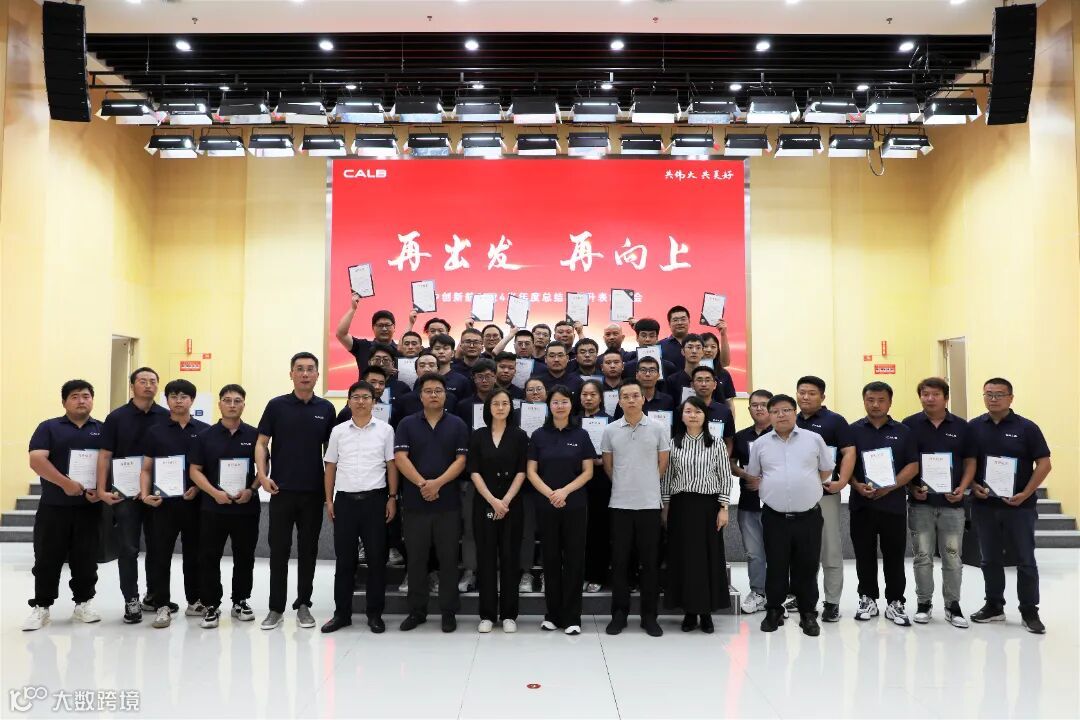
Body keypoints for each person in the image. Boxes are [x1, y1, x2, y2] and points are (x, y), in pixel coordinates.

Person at [256, 352, 336, 631]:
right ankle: (275, 608)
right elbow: (261, 443)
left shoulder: (326, 408)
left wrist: (329, 493)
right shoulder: (276, 406)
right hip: (281, 491)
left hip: (312, 492)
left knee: (308, 550)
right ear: (291, 374)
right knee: (279, 550)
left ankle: (304, 604)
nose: (304, 374)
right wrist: (262, 476)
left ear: (317, 375)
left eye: (310, 369)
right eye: (299, 369)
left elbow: (330, 453)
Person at [746, 394, 835, 636]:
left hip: (808, 516)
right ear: (769, 415)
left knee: (807, 566)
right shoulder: (761, 444)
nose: (781, 415)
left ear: (794, 413)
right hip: (774, 517)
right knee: (776, 565)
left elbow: (826, 470)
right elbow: (755, 474)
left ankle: (808, 614)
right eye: (775, 411)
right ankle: (774, 610)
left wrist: (803, 484)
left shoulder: (813, 439)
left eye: (786, 410)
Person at [968, 377, 1051, 634]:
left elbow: (1044, 464)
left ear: (1011, 398)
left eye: (999, 394)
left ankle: (1029, 610)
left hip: (1020, 506)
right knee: (989, 558)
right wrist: (973, 485)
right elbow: (966, 462)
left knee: (1025, 559)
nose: (993, 399)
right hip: (985, 505)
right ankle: (994, 605)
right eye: (988, 394)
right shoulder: (973, 427)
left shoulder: (1027, 428)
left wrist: (1026, 493)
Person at [23, 380, 104, 631]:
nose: (81, 400)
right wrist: (65, 483)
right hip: (54, 506)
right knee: (47, 558)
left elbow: (109, 464)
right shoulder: (49, 427)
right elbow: (36, 460)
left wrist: (101, 491)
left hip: (89, 507)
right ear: (64, 402)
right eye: (75, 396)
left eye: (86, 396)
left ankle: (83, 603)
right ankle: (42, 607)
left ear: (92, 400)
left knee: (86, 559)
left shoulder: (102, 429)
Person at [320, 380, 398, 634]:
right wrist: (329, 499)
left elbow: (391, 465)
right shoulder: (338, 431)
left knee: (376, 560)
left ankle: (374, 614)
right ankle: (341, 614)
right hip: (345, 502)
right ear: (349, 401)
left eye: (366, 397)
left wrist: (392, 497)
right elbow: (330, 466)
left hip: (375, 501)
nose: (361, 401)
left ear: (374, 402)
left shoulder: (385, 430)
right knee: (345, 561)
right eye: (356, 397)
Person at [394, 373, 469, 633]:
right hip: (415, 503)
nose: (433, 395)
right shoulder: (406, 423)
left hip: (448, 504)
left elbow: (461, 461)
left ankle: (449, 612)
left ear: (445, 395)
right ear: (420, 395)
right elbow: (400, 458)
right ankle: (417, 611)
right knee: (416, 559)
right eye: (428, 391)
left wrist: (437, 484)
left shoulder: (458, 424)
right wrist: (422, 484)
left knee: (448, 559)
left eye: (438, 390)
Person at [95, 366, 170, 623]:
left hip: (157, 493)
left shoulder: (166, 416)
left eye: (153, 381)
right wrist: (101, 489)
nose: (148, 385)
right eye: (142, 381)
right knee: (128, 548)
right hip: (125, 494)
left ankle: (155, 596)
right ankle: (131, 600)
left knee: (158, 548)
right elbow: (105, 455)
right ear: (132, 386)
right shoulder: (116, 417)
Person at [902, 377, 976, 628]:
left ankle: (953, 605)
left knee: (952, 556)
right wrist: (912, 487)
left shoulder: (963, 427)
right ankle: (924, 603)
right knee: (922, 555)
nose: (929, 398)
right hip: (920, 504)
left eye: (935, 394)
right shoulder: (909, 425)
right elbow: (905, 463)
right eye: (925, 394)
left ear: (946, 397)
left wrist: (963, 488)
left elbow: (970, 461)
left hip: (952, 505)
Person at [602, 379, 671, 637]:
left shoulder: (658, 428)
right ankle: (619, 615)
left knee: (649, 564)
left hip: (649, 505)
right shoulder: (610, 430)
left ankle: (649, 617)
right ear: (619, 401)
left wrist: (647, 483)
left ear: (643, 399)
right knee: (620, 563)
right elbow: (608, 466)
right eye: (626, 396)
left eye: (635, 395)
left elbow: (662, 463)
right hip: (620, 505)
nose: (631, 400)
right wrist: (625, 483)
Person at [189, 384, 261, 629]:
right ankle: (211, 604)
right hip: (213, 508)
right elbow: (195, 470)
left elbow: (264, 469)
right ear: (219, 404)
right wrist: (214, 493)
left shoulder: (255, 435)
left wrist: (251, 490)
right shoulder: (204, 436)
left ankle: (240, 600)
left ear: (244, 405)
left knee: (245, 556)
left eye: (237, 401)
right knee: (209, 556)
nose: (232, 405)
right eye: (227, 400)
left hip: (245, 508)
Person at [140, 378, 210, 629]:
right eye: (173, 396)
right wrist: (145, 495)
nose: (178, 401)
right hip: (163, 505)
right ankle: (162, 605)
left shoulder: (204, 430)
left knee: (195, 554)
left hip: (194, 503)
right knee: (161, 555)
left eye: (184, 396)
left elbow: (207, 469)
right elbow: (146, 468)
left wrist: (198, 488)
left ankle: (195, 601)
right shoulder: (155, 431)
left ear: (192, 400)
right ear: (167, 400)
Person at [848, 381, 919, 626]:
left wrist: (890, 486)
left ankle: (895, 602)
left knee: (895, 556)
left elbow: (913, 465)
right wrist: (856, 484)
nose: (875, 404)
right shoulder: (852, 431)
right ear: (864, 401)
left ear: (890, 402)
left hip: (893, 506)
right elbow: (845, 464)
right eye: (870, 400)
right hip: (862, 504)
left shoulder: (904, 431)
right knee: (863, 555)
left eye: (881, 400)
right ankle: (867, 598)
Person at [662, 396, 733, 634]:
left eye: (698, 411)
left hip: (708, 507)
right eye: (688, 411)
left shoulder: (716, 444)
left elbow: (724, 476)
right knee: (684, 558)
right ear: (682, 416)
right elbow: (667, 477)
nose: (693, 415)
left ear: (705, 416)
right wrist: (666, 507)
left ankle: (706, 612)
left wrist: (724, 508)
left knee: (708, 558)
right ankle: (689, 612)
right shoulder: (674, 444)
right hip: (681, 506)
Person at [527, 386, 594, 634]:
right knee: (551, 559)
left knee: (574, 560)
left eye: (564, 401)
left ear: (571, 404)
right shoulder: (538, 435)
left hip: (574, 504)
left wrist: (564, 492)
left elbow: (588, 471)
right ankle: (552, 615)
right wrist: (551, 494)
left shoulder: (581, 434)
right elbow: (531, 471)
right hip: (546, 505)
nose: (560, 406)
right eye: (555, 402)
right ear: (549, 406)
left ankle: (573, 617)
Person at [794, 375, 855, 622]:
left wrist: (843, 481)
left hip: (825, 493)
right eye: (801, 392)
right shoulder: (791, 419)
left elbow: (849, 452)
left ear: (822, 396)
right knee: (799, 550)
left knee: (830, 548)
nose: (805, 397)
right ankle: (802, 596)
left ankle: (832, 602)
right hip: (796, 496)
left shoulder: (835, 421)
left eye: (811, 393)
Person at [468, 389, 529, 633]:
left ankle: (509, 615)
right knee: (485, 558)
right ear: (488, 408)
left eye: (505, 403)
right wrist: (493, 501)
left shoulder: (519, 435)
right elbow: (474, 471)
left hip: (512, 504)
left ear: (511, 408)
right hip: (485, 502)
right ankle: (487, 614)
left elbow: (522, 471)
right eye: (496, 403)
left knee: (510, 558)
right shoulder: (478, 435)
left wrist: (505, 501)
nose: (501, 407)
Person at [454, 359, 501, 593]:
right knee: (471, 528)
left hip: (501, 477)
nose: (484, 380)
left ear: (496, 376)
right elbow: (460, 441)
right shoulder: (463, 406)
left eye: (489, 375)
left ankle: (498, 571)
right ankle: (470, 570)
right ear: (473, 379)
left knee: (500, 528)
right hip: (471, 476)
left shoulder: (503, 402)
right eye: (480, 376)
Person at [730, 389, 774, 614]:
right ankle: (758, 592)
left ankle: (778, 595)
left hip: (777, 504)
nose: (759, 408)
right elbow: (731, 463)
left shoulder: (781, 434)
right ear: (749, 409)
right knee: (754, 553)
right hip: (749, 502)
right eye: (754, 405)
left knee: (778, 552)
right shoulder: (741, 436)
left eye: (763, 404)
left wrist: (766, 479)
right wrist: (745, 474)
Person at [578, 380, 612, 593]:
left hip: (601, 480)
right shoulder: (573, 421)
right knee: (578, 530)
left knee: (599, 529)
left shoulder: (611, 422)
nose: (588, 398)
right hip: (576, 480)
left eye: (593, 394)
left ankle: (597, 575)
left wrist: (603, 460)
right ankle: (579, 573)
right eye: (584, 394)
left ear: (601, 397)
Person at [519, 378, 548, 593]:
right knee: (526, 531)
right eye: (530, 390)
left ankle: (549, 571)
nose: (535, 393)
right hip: (525, 484)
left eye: (539, 389)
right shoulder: (515, 417)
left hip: (552, 484)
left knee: (550, 532)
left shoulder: (557, 415)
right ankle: (526, 572)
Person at [335, 298, 398, 377]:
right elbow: (341, 334)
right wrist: (353, 309)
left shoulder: (401, 351)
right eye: (380, 325)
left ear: (394, 327)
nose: (384, 329)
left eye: (387, 325)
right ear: (373, 328)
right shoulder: (363, 346)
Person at [612, 356, 675, 420]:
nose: (647, 374)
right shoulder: (627, 401)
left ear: (658, 376)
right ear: (636, 375)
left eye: (652, 370)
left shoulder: (667, 401)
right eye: (643, 370)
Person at [431, 333, 473, 400]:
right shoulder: (424, 379)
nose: (441, 351)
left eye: (445, 348)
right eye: (437, 348)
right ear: (431, 352)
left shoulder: (462, 381)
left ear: (453, 353)